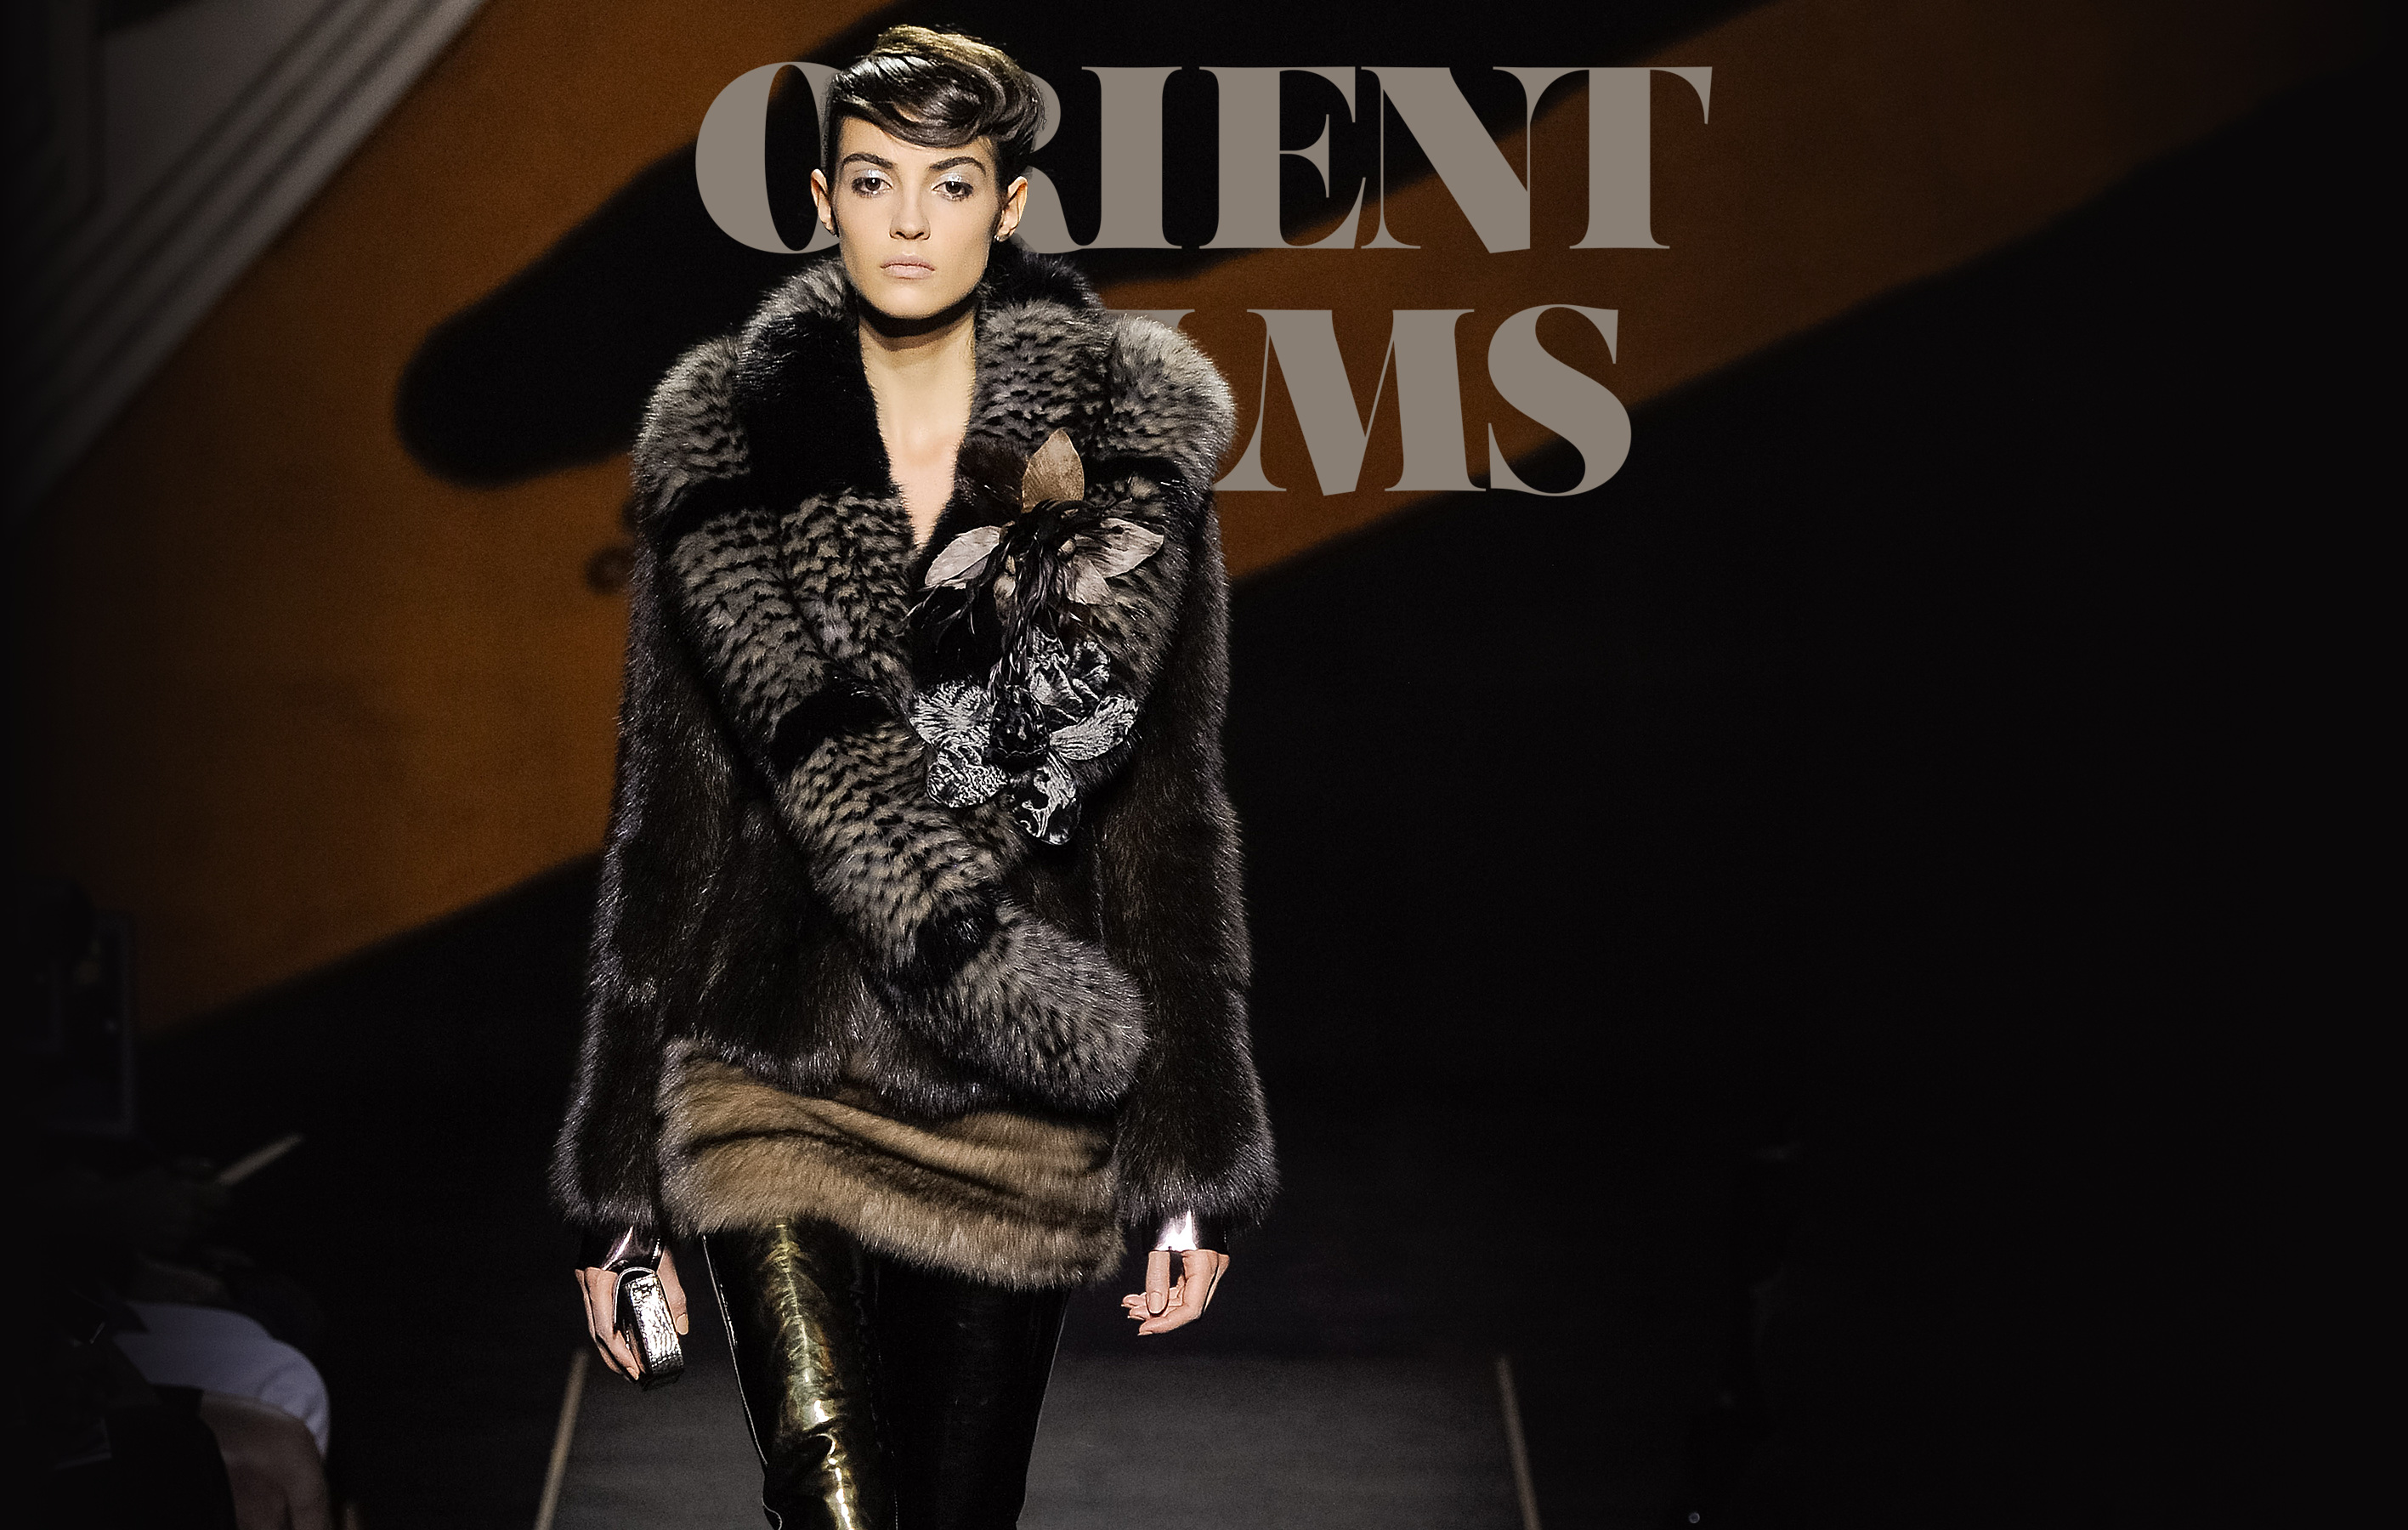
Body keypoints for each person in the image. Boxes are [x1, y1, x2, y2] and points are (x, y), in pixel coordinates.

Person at [550, 27, 1275, 1529]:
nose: (906, 221)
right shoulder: (724, 453)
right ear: (822, 197)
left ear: (1008, 206)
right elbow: (666, 821)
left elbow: (1166, 820)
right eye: (873, 180)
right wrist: (621, 1184)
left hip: (1013, 1079)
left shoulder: (1123, 462)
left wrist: (1189, 1152)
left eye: (948, 185)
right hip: (766, 1074)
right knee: (827, 1498)